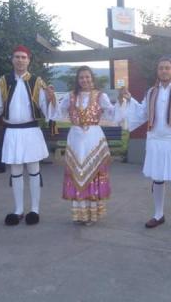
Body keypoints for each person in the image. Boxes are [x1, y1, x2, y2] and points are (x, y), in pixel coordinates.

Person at [0, 45, 53, 226]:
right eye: (17, 57)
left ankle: (35, 210)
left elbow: (46, 108)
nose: (20, 60)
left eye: (23, 57)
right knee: (15, 171)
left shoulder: (38, 82)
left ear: (29, 60)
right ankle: (18, 210)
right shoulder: (4, 81)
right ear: (12, 60)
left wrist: (52, 98)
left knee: (33, 170)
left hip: (31, 132)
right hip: (12, 132)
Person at [119, 56, 171, 234]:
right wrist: (130, 99)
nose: (164, 71)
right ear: (158, 71)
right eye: (161, 68)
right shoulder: (151, 92)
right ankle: (158, 214)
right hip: (155, 140)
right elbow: (142, 112)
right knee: (157, 179)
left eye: (167, 68)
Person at [47, 66, 121, 225]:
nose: (85, 80)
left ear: (92, 78)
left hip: (94, 136)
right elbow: (58, 113)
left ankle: (91, 214)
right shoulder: (71, 96)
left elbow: (112, 113)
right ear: (77, 80)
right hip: (75, 137)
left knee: (93, 173)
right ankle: (80, 213)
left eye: (87, 77)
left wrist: (122, 100)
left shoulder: (101, 96)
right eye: (81, 77)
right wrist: (52, 98)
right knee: (76, 173)